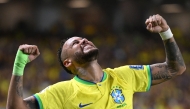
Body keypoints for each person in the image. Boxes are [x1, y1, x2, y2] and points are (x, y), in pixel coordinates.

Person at [6, 14, 186, 109]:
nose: (83, 40)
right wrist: (19, 65)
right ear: (68, 63)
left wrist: (166, 32)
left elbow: (176, 68)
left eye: (84, 39)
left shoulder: (125, 75)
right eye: (75, 43)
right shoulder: (62, 92)